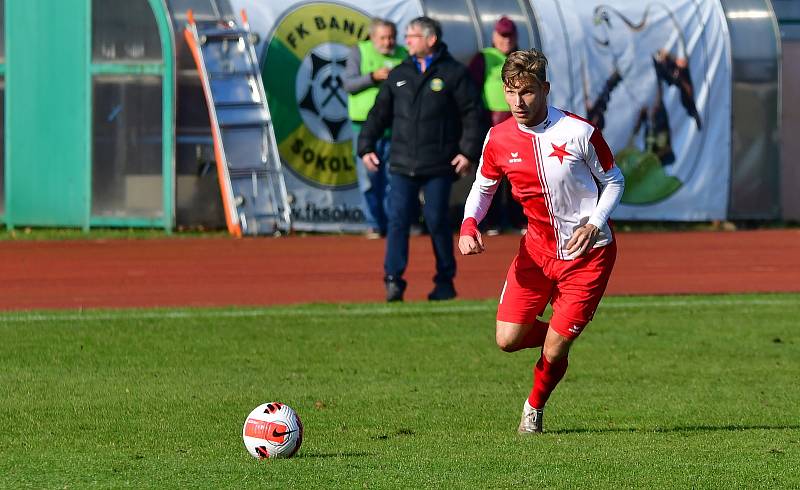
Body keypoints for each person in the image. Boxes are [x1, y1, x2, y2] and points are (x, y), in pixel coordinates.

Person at [458, 49, 624, 433]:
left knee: (553, 348)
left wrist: (596, 221)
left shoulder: (579, 132)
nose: (519, 101)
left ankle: (533, 409)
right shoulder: (497, 138)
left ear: (545, 89)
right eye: (512, 92)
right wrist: (468, 224)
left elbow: (615, 180)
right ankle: (558, 332)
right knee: (507, 339)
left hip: (589, 256)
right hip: (536, 252)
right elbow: (483, 188)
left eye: (528, 92)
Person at [358, 16, 483, 302]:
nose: (407, 41)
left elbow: (472, 115)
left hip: (439, 163)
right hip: (403, 163)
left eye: (412, 35)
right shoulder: (399, 73)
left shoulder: (454, 73)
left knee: (437, 220)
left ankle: (445, 282)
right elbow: (379, 114)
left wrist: (467, 151)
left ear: (430, 39)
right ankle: (393, 280)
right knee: (398, 221)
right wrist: (365, 145)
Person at [344, 19, 408, 239]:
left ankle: (393, 224)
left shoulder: (404, 53)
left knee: (394, 179)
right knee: (369, 178)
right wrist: (373, 77)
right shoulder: (359, 52)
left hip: (396, 126)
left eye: (391, 37)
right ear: (372, 37)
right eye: (383, 37)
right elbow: (348, 84)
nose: (388, 42)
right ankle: (374, 223)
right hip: (364, 127)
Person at [467, 16, 526, 236]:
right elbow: (471, 91)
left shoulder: (523, 58)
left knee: (518, 172)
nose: (506, 40)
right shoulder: (483, 58)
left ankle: (518, 218)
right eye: (502, 35)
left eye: (509, 35)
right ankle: (489, 220)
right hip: (489, 122)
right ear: (494, 36)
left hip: (518, 121)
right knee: (490, 173)